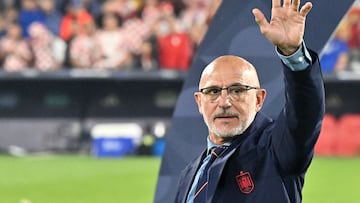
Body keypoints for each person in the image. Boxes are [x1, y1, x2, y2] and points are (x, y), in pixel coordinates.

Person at [175, 0, 325, 202]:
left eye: (237, 90)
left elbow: (305, 114)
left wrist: (293, 54)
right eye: (213, 91)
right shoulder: (188, 175)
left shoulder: (277, 148)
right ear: (199, 102)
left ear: (258, 99)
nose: (224, 102)